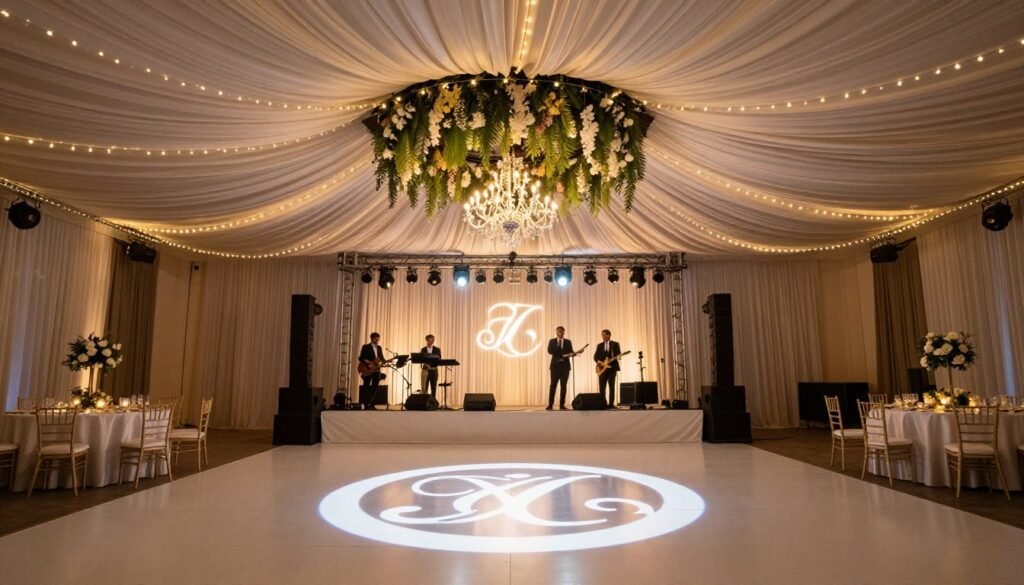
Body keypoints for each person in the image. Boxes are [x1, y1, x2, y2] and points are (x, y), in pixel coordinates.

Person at [546, 326, 574, 410]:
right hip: (555, 367)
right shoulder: (552, 341)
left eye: (561, 331)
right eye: (558, 331)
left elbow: (571, 351)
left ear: (564, 332)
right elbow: (550, 351)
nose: (560, 333)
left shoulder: (568, 342)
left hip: (565, 367)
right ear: (556, 332)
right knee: (553, 386)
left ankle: (562, 405)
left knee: (563, 386)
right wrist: (558, 345)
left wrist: (574, 353)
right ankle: (550, 405)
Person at [594, 329, 622, 409]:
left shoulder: (615, 344)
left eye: (604, 335)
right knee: (602, 387)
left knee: (611, 386)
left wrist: (619, 357)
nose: (603, 336)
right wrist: (599, 362)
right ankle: (603, 403)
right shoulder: (599, 345)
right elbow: (595, 356)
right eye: (602, 335)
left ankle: (611, 404)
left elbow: (618, 354)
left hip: (612, 368)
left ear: (609, 335)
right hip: (602, 369)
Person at [358, 332, 385, 409]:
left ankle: (371, 403)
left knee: (375, 387)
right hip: (367, 369)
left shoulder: (379, 348)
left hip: (377, 370)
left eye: (378, 339)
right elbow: (361, 358)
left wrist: (387, 361)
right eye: (376, 339)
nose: (377, 341)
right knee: (366, 386)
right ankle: (366, 404)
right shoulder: (365, 347)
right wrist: (368, 363)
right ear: (372, 339)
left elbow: (382, 358)